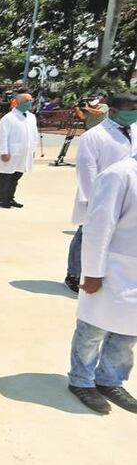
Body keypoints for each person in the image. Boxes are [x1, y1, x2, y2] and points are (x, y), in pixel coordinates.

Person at [67, 155, 137, 415]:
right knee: (93, 328)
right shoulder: (119, 174)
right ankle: (81, 380)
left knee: (129, 332)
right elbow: (98, 227)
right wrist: (93, 272)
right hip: (115, 267)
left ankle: (110, 380)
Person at [65, 92, 137, 292]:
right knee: (86, 235)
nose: (135, 114)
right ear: (113, 111)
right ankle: (73, 273)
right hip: (100, 196)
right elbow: (87, 170)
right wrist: (94, 200)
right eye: (132, 110)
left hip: (129, 195)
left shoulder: (134, 130)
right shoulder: (94, 136)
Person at [0, 91, 38, 208]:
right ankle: (2, 199)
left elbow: (34, 134)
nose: (30, 103)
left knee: (17, 176)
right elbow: (2, 136)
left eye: (31, 100)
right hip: (12, 152)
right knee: (6, 175)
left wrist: (33, 150)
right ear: (18, 102)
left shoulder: (31, 117)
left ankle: (10, 198)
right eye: (27, 101)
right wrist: (4, 152)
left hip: (25, 152)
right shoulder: (8, 118)